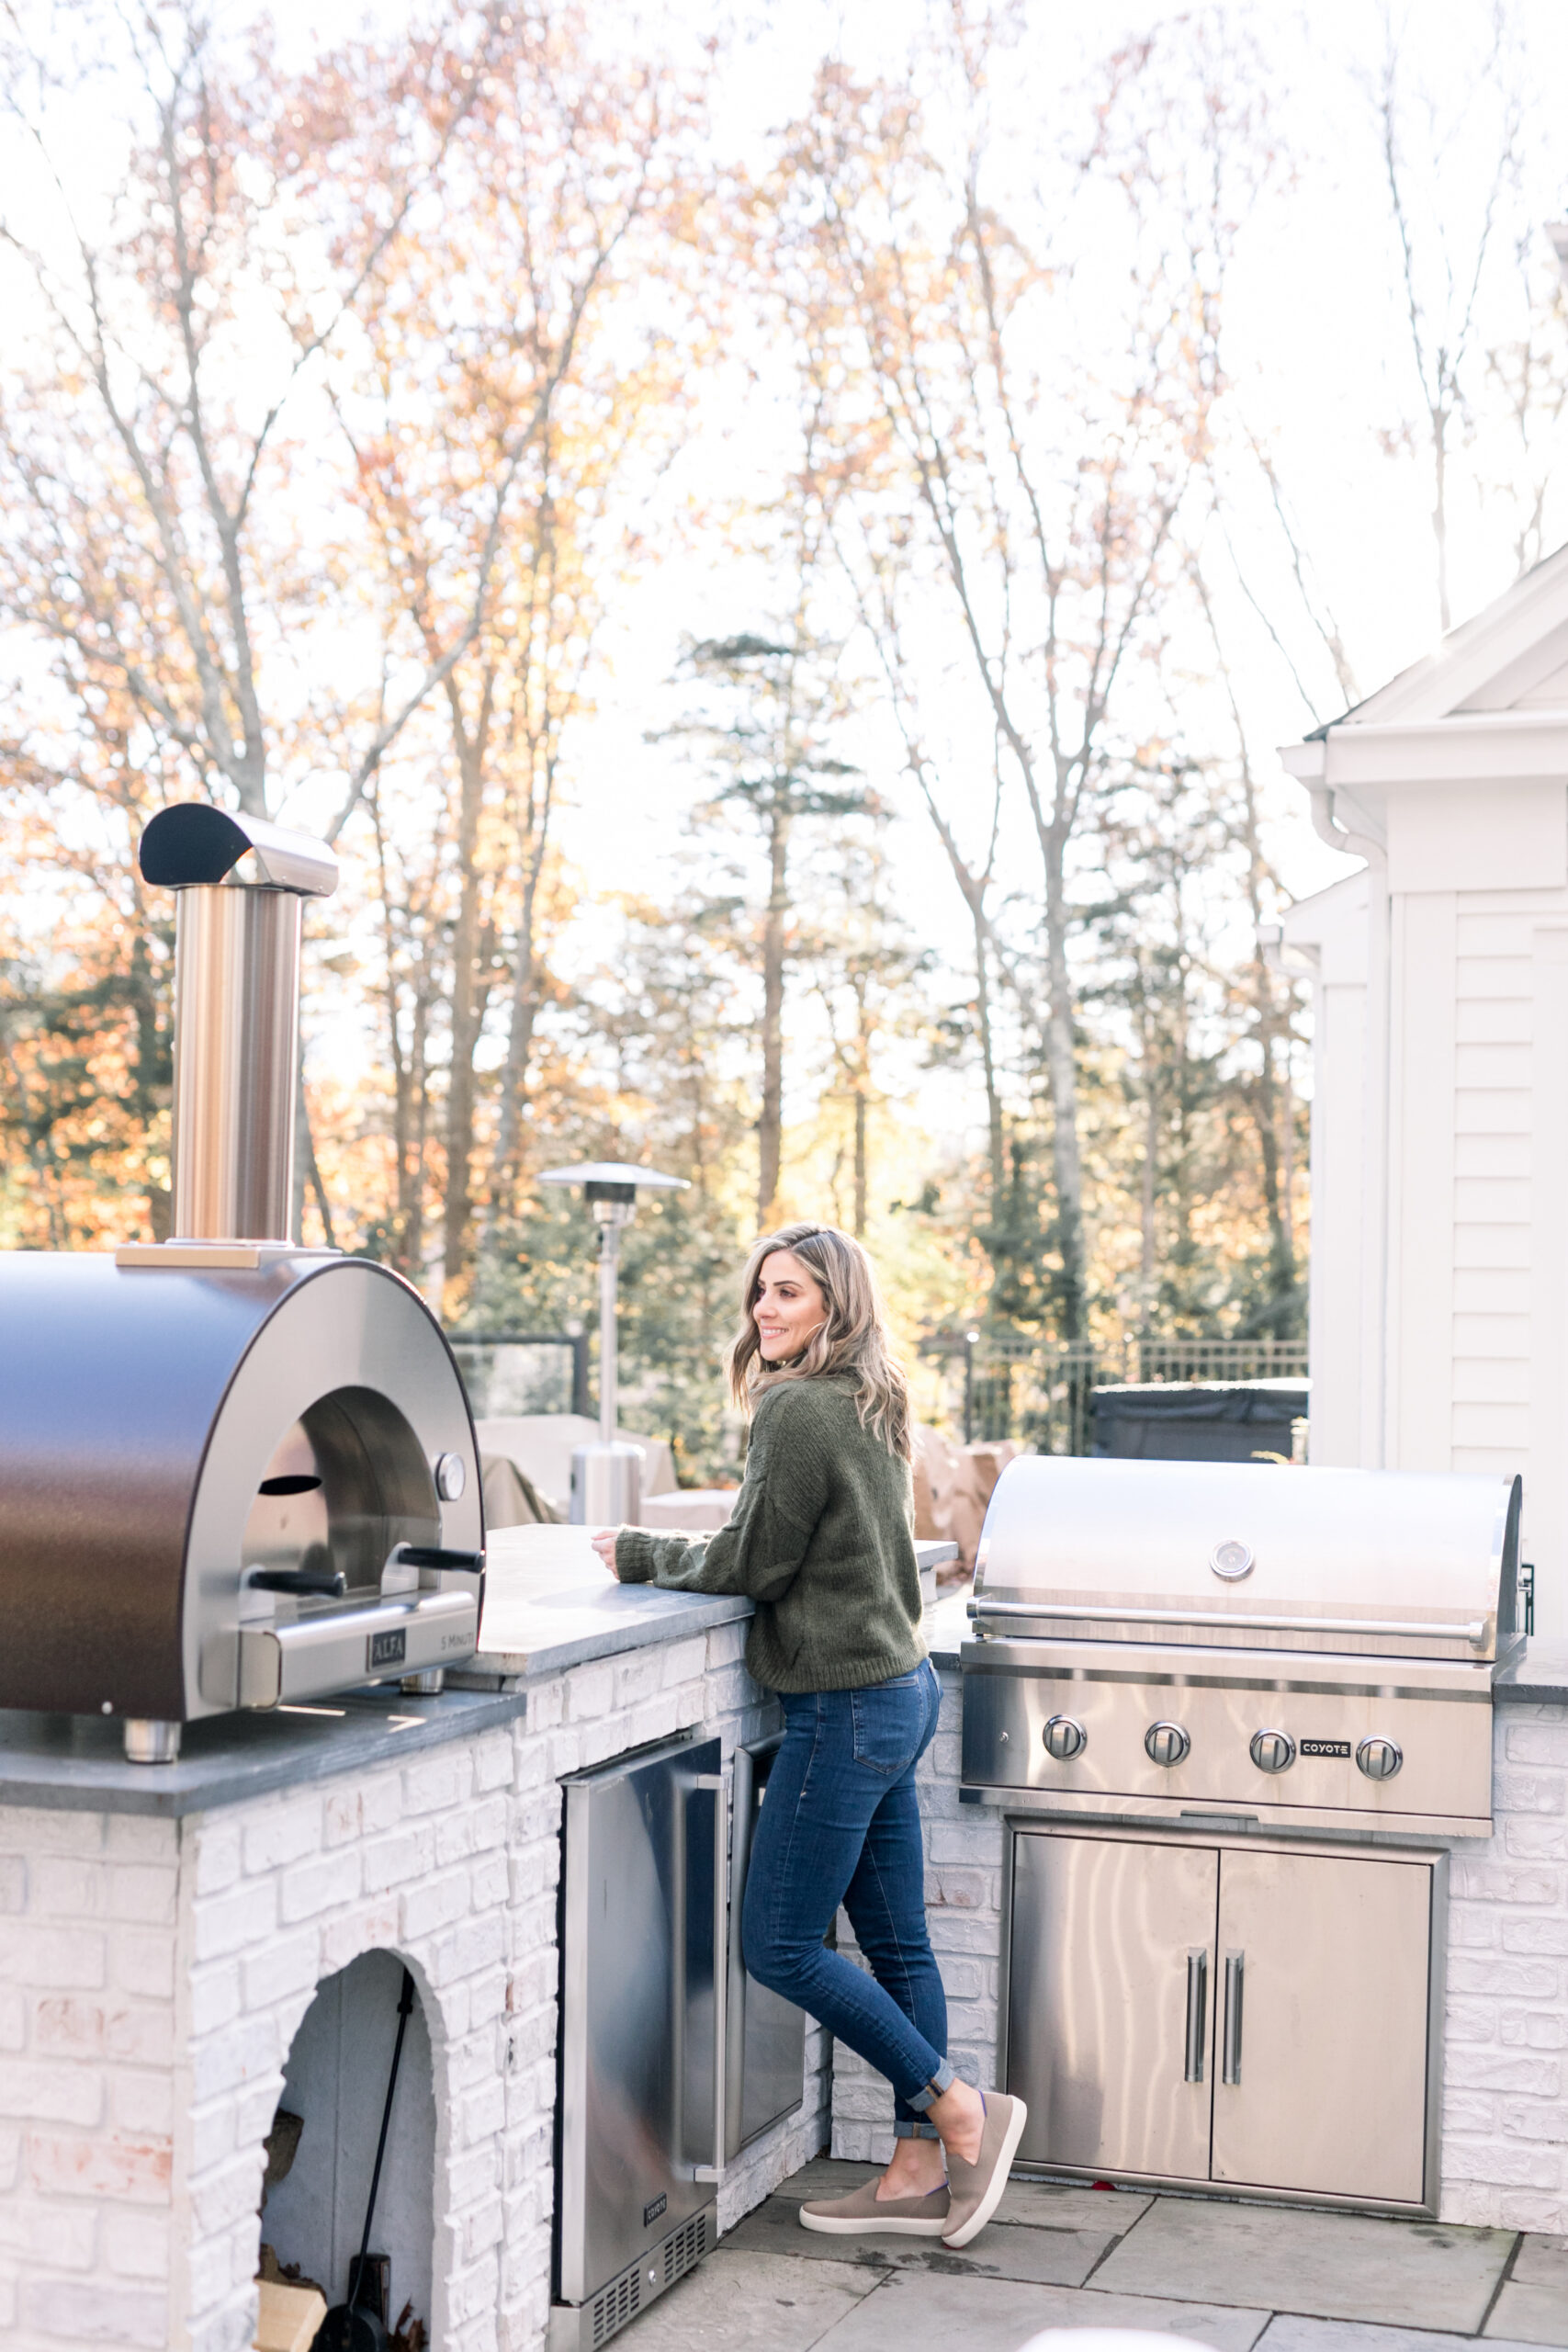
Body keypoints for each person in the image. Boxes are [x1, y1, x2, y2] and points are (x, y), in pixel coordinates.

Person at [591, 1220, 1026, 2246]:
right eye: (760, 1293)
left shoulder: (792, 1408)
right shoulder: (876, 1400)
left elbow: (753, 1560)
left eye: (787, 1293)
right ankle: (918, 2169)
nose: (764, 1310)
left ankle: (959, 2110)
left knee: (779, 1943)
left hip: (844, 1709)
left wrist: (635, 1550)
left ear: (834, 1303)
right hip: (900, 1686)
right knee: (896, 1941)